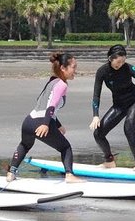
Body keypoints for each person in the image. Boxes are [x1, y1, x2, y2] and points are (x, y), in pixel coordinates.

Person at [6, 51, 84, 183]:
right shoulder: (62, 85)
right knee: (65, 147)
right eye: (74, 67)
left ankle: (11, 173)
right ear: (63, 68)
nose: (75, 70)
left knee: (25, 145)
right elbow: (51, 106)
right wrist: (45, 124)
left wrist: (57, 125)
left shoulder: (52, 81)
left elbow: (42, 103)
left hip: (29, 121)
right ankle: (69, 175)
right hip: (42, 122)